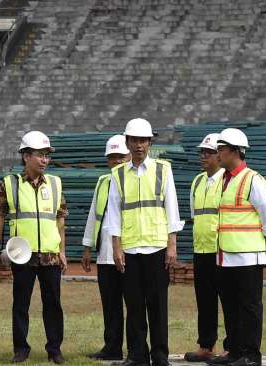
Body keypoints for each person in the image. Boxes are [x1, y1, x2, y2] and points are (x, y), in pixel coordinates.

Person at [106, 118, 184, 366]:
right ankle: (137, 355)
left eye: (143, 140)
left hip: (157, 247)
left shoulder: (163, 169)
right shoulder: (117, 174)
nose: (138, 145)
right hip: (130, 248)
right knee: (135, 305)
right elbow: (114, 212)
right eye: (134, 141)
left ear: (150, 143)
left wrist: (172, 245)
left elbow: (172, 208)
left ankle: (160, 356)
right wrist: (116, 248)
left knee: (158, 305)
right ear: (127, 143)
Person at [0, 131, 68, 364]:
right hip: (21, 255)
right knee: (21, 303)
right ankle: (21, 349)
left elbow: (60, 219)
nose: (45, 160)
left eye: (47, 156)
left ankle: (55, 349)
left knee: (53, 304)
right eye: (40, 155)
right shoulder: (10, 184)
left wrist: (62, 251)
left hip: (50, 255)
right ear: (26, 156)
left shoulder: (55, 184)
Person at [207, 128, 266, 366]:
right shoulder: (225, 180)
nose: (218, 154)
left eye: (221, 150)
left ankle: (251, 355)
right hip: (226, 255)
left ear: (235, 151)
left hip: (248, 256)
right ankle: (235, 351)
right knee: (231, 306)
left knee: (249, 307)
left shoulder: (252, 180)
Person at [81, 134, 131, 361]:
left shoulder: (136, 180)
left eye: (120, 156)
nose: (116, 161)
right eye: (112, 157)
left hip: (130, 253)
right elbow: (94, 215)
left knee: (134, 305)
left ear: (129, 155)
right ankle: (112, 347)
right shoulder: (103, 182)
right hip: (105, 255)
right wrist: (88, 247)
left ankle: (136, 348)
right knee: (110, 305)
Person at [184, 133, 230, 362]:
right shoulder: (197, 181)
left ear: (220, 155)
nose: (204, 156)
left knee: (229, 301)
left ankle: (232, 347)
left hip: (222, 251)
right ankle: (206, 345)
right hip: (201, 250)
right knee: (205, 301)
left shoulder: (228, 181)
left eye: (209, 152)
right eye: (202, 152)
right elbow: (195, 217)